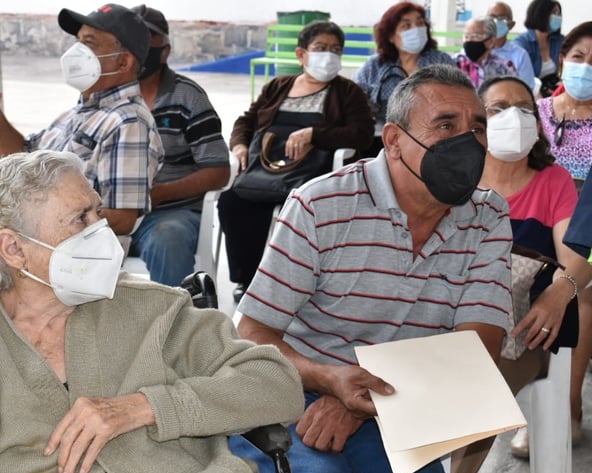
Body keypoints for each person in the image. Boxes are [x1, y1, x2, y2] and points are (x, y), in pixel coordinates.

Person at [0, 150, 304, 473]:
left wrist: (146, 406)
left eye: (98, 212)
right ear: (14, 248)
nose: (104, 232)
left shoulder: (151, 311)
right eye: (80, 219)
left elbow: (276, 384)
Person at [228, 64, 512, 473]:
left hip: (395, 397)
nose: (470, 142)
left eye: (477, 127)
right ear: (395, 140)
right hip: (293, 388)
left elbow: (479, 347)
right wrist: (329, 378)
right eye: (446, 125)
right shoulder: (321, 206)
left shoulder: (486, 216)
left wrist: (358, 399)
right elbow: (253, 333)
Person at [449, 76, 592, 473]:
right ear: (476, 122)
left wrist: (560, 288)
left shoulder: (553, 183)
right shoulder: (454, 179)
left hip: (519, 333)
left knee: (479, 402)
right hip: (441, 322)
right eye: (497, 108)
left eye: (523, 107)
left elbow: (577, 259)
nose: (513, 116)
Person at [0, 3, 162, 236]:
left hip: (75, 258)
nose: (77, 51)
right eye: (78, 41)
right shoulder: (76, 113)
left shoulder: (128, 122)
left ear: (123, 62)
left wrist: (46, 222)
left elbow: (122, 217)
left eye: (89, 43)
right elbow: (21, 156)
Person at [219, 20, 374, 303]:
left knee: (298, 208)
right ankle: (247, 279)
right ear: (301, 55)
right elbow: (247, 120)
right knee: (232, 202)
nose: (329, 55)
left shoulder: (348, 92)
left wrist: (315, 134)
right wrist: (240, 144)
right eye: (320, 48)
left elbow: (361, 134)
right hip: (263, 171)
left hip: (312, 176)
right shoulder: (278, 86)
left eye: (335, 49)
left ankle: (293, 283)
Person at [515, 21, 592, 455]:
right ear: (563, 59)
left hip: (586, 227)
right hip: (534, 218)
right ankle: (513, 406)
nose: (586, 68)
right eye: (579, 57)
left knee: (580, 288)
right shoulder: (535, 113)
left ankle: (566, 405)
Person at [126, 5, 230, 286]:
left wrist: (161, 194)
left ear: (165, 50)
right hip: (113, 211)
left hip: (171, 213)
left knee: (167, 239)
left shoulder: (188, 97)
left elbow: (219, 170)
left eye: (147, 39)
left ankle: (173, 327)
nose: (139, 47)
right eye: (131, 37)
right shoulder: (105, 94)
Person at [353, 1, 454, 155]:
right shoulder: (375, 65)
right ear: (391, 36)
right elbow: (355, 102)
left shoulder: (441, 62)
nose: (416, 30)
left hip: (432, 139)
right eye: (406, 26)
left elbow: (456, 102)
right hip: (382, 141)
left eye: (420, 23)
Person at [514, 0, 564, 97]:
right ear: (540, 15)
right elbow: (523, 80)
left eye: (559, 14)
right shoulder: (521, 43)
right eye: (554, 13)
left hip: (554, 92)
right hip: (530, 94)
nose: (558, 17)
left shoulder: (560, 40)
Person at [454, 16, 518, 89]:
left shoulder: (504, 67)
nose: (469, 40)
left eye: (475, 36)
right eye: (466, 36)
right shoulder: (454, 64)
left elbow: (514, 93)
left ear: (491, 42)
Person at [486, 2, 536, 90]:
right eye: (492, 17)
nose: (496, 21)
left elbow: (527, 89)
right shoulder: (476, 50)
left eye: (501, 18)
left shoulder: (520, 55)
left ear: (511, 25)